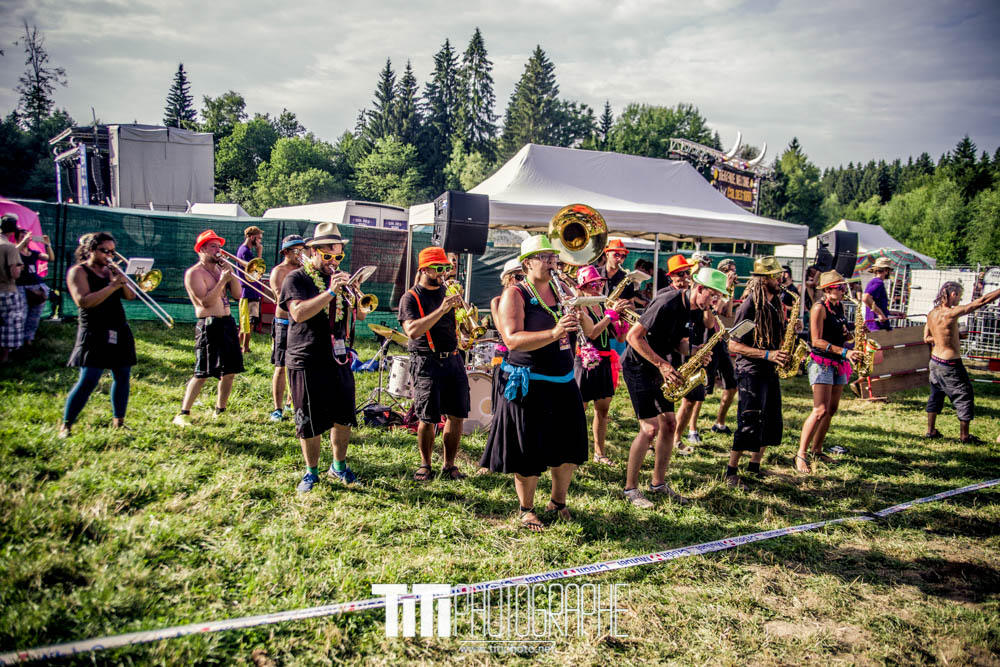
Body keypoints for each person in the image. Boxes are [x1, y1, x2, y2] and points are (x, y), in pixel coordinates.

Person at [480, 235, 589, 532]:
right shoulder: (515, 293)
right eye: (544, 257)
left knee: (569, 447)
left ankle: (558, 502)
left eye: (553, 256)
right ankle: (526, 509)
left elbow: (587, 327)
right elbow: (512, 339)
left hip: (564, 380)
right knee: (528, 452)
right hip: (530, 382)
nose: (552, 261)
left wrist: (581, 309)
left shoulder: (562, 288)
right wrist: (555, 332)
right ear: (527, 263)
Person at [622, 266, 727, 508]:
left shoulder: (693, 310)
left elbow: (679, 343)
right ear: (699, 288)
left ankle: (658, 484)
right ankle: (631, 489)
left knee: (670, 424)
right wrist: (662, 365)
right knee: (649, 429)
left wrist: (695, 352)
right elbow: (633, 337)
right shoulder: (667, 301)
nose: (715, 302)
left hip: (661, 367)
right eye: (713, 296)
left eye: (718, 297)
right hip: (639, 366)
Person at [280, 222, 363, 492]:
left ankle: (338, 466)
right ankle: (311, 472)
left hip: (338, 357)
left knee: (343, 415)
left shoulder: (339, 279)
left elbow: (361, 315)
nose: (333, 261)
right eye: (328, 255)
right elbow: (298, 313)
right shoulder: (297, 279)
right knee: (310, 418)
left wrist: (355, 293)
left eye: (338, 256)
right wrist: (329, 293)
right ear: (313, 252)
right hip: (306, 356)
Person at [399, 247, 471, 481]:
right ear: (424, 269)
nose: (443, 273)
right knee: (427, 418)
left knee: (457, 414)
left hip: (453, 358)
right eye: (438, 269)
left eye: (445, 268)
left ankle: (449, 464)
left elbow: (462, 326)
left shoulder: (448, 291)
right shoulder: (411, 297)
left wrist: (466, 326)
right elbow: (411, 330)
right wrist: (442, 309)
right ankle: (425, 463)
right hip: (426, 361)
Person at [59, 232, 137, 438]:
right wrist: (112, 286)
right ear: (91, 250)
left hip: (119, 326)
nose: (110, 256)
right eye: (105, 251)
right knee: (89, 379)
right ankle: (67, 424)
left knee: (122, 377)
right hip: (94, 329)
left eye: (113, 251)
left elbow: (130, 296)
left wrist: (122, 281)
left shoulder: (112, 272)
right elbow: (83, 301)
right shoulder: (78, 272)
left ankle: (119, 421)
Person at [724, 257, 790, 488]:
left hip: (769, 369)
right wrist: (766, 355)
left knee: (771, 418)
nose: (780, 279)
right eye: (775, 276)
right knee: (750, 418)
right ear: (763, 280)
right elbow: (733, 345)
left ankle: (754, 466)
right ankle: (731, 471)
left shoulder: (775, 303)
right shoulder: (749, 306)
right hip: (751, 370)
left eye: (779, 275)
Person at [172, 230, 245, 427]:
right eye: (213, 246)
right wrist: (222, 280)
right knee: (202, 372)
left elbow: (238, 295)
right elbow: (205, 302)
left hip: (227, 321)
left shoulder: (220, 270)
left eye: (218, 246)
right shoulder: (194, 273)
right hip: (209, 324)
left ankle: (220, 410)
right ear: (202, 249)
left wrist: (232, 276)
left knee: (230, 371)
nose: (218, 250)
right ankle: (183, 412)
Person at [795, 270, 864, 473]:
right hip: (822, 362)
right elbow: (816, 340)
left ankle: (817, 450)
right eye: (839, 287)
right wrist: (845, 352)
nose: (843, 290)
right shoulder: (819, 308)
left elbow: (842, 335)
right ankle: (801, 454)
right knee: (820, 410)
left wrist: (854, 334)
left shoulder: (839, 306)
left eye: (843, 286)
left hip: (838, 362)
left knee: (831, 410)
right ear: (828, 289)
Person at [923, 280, 1000, 443]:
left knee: (936, 395)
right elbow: (983, 301)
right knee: (964, 395)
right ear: (953, 294)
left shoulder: (932, 313)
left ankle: (930, 430)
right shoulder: (950, 313)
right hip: (949, 363)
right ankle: (965, 436)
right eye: (959, 296)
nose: (959, 300)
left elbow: (927, 338)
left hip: (935, 361)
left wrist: (952, 336)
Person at [574, 265, 625, 466]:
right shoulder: (580, 308)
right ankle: (574, 452)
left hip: (604, 361)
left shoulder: (601, 305)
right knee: (579, 411)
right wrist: (610, 316)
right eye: (592, 284)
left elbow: (620, 339)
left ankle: (599, 453)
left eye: (599, 283)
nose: (597, 288)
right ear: (583, 287)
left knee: (602, 411)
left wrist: (621, 323)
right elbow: (592, 332)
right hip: (586, 363)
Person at [267, 234, 306, 421]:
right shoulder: (279, 271)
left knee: (298, 365)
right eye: (296, 250)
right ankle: (277, 408)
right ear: (286, 252)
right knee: (281, 365)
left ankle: (293, 401)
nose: (301, 254)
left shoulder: (306, 269)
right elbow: (280, 300)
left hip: (301, 322)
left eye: (303, 249)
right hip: (284, 322)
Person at [708, 258, 739, 435]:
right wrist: (725, 287)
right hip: (708, 339)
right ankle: (692, 428)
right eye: (730, 270)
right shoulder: (712, 287)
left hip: (720, 340)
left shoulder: (726, 289)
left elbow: (727, 313)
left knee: (731, 385)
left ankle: (719, 422)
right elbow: (716, 310)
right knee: (702, 391)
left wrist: (731, 290)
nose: (733, 273)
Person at [14, 228, 53, 345]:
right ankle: (18, 340)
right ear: (16, 238)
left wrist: (48, 245)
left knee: (35, 314)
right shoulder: (15, 251)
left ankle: (29, 338)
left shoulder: (34, 253)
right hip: (20, 286)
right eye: (22, 236)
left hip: (36, 285)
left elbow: (50, 258)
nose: (25, 239)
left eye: (27, 236)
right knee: (22, 314)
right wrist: (22, 242)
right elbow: (13, 253)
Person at [0, 214, 24, 362]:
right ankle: (4, 358)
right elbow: (14, 274)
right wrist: (20, 268)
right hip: (6, 292)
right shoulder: (9, 247)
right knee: (9, 325)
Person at [236, 225, 264, 353]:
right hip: (248, 291)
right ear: (252, 237)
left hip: (252, 290)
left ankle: (241, 346)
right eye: (258, 238)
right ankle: (244, 347)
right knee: (248, 321)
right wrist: (259, 253)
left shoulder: (247, 251)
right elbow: (256, 271)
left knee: (248, 321)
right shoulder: (245, 252)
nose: (260, 241)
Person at [862, 257, 896, 331]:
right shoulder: (878, 283)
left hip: (873, 324)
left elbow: (878, 305)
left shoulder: (873, 281)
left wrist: (896, 313)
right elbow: (866, 298)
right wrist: (880, 314)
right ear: (887, 270)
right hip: (877, 325)